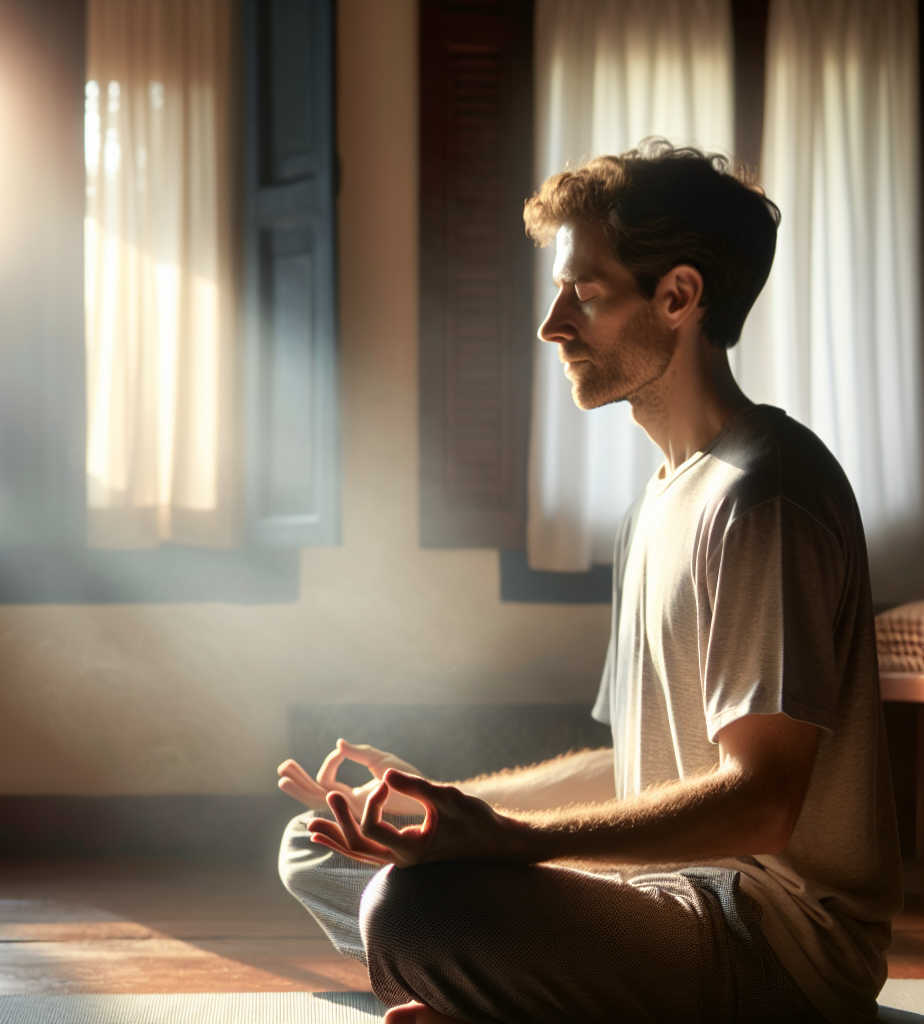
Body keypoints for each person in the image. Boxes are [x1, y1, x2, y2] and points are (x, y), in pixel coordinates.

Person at [275, 140, 902, 1024]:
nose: (553, 323)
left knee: (413, 908)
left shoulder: (767, 495)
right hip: (666, 900)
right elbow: (631, 768)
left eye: (587, 293)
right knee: (316, 848)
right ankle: (507, 992)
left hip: (773, 954)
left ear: (679, 296)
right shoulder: (655, 503)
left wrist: (506, 844)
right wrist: (442, 802)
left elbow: (762, 804)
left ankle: (496, 989)